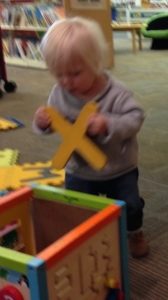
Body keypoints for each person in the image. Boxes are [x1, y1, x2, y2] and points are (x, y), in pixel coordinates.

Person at [33, 17, 149, 258]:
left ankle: (134, 232)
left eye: (74, 73)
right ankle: (88, 238)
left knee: (131, 206)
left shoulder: (117, 93)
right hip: (79, 168)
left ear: (96, 63)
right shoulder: (60, 92)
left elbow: (136, 116)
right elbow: (55, 121)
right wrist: (43, 124)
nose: (65, 82)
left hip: (119, 167)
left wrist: (108, 124)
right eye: (58, 74)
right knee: (78, 208)